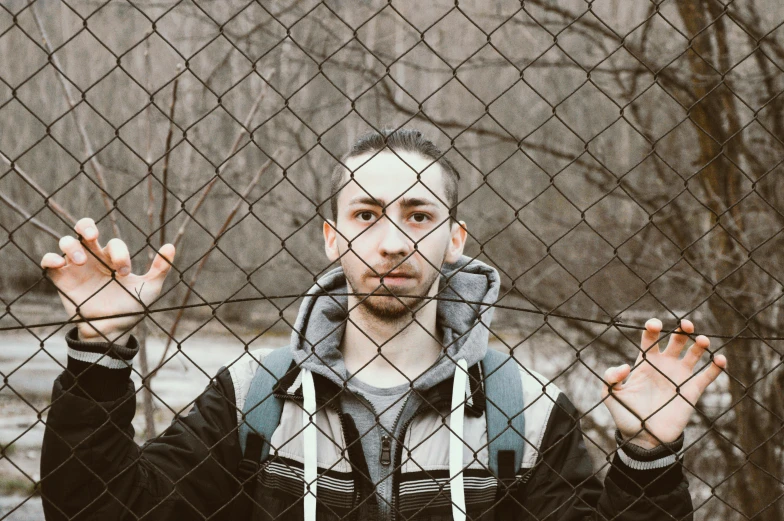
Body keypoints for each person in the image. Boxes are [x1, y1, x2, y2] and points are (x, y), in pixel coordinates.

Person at [39, 129, 727, 521]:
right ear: (333, 238)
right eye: (367, 214)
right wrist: (99, 351)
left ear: (454, 239)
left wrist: (647, 453)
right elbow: (100, 511)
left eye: (419, 215)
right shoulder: (256, 395)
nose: (393, 240)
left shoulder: (524, 412)